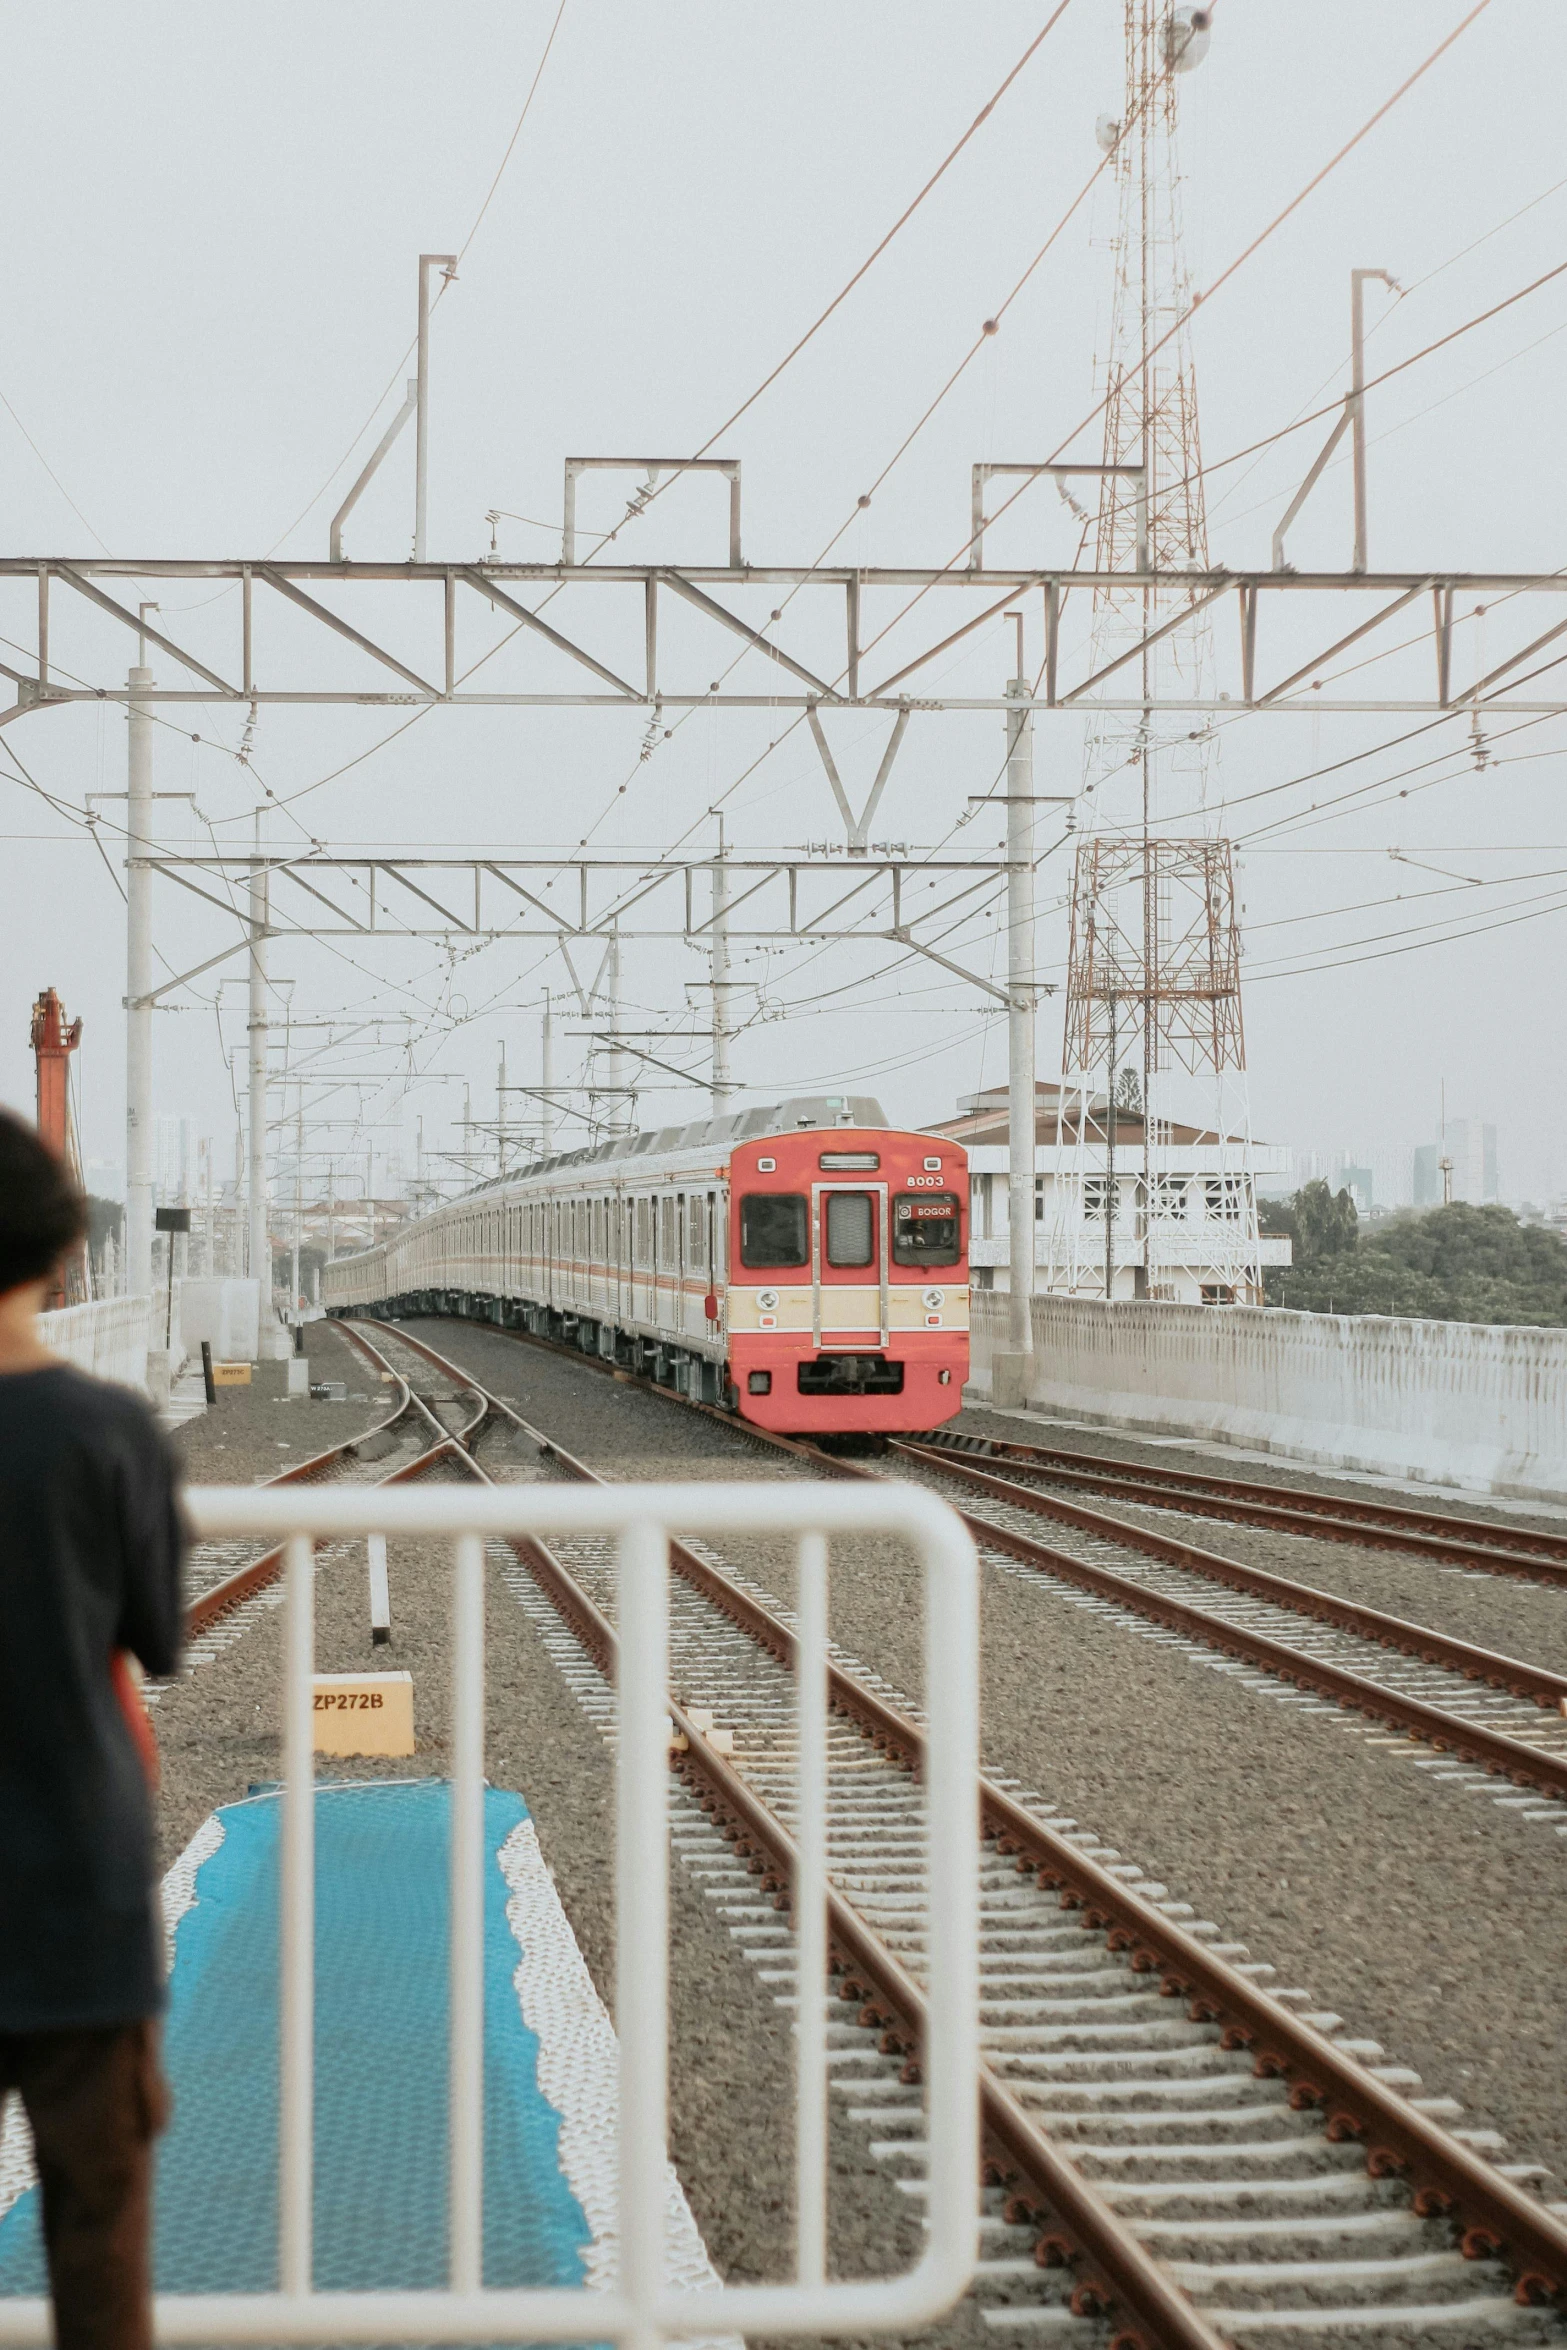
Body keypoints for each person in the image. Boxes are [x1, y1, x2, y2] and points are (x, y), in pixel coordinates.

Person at [0, 1110, 184, 2350]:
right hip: (77, 1878)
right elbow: (158, 1635)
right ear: (63, 1251)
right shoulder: (110, 1433)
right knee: (97, 2238)